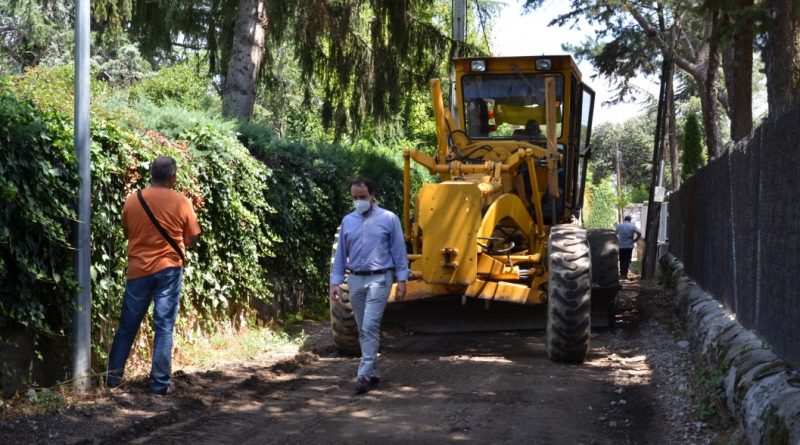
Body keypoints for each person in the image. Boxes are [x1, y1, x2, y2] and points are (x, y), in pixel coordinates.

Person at [106, 156, 201, 395]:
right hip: (169, 270)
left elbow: (127, 232)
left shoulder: (132, 200)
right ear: (172, 178)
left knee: (127, 326)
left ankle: (112, 380)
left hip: (138, 271)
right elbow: (191, 240)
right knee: (164, 326)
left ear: (151, 174)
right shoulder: (182, 202)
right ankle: (159, 385)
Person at [329, 177, 408, 395]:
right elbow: (340, 255)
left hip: (380, 278)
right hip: (355, 279)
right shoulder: (348, 221)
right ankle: (373, 373)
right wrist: (336, 282)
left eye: (362, 196)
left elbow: (399, 251)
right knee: (363, 328)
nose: (359, 201)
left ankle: (362, 375)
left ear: (372, 195)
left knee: (369, 326)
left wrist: (402, 280)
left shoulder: (389, 219)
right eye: (354, 197)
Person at [616, 215, 641, 279]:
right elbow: (639, 233)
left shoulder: (619, 226)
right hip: (629, 245)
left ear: (624, 219)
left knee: (622, 259)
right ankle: (625, 273)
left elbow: (615, 234)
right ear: (630, 220)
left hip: (621, 245)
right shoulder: (632, 226)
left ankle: (622, 273)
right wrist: (635, 240)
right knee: (627, 259)